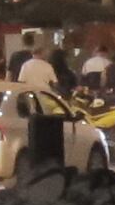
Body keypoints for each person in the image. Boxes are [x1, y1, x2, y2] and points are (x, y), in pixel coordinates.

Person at [9, 31, 70, 182]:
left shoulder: (25, 65)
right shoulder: (48, 66)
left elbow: (21, 82)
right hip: (46, 97)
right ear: (41, 53)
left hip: (30, 97)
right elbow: (54, 83)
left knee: (33, 122)